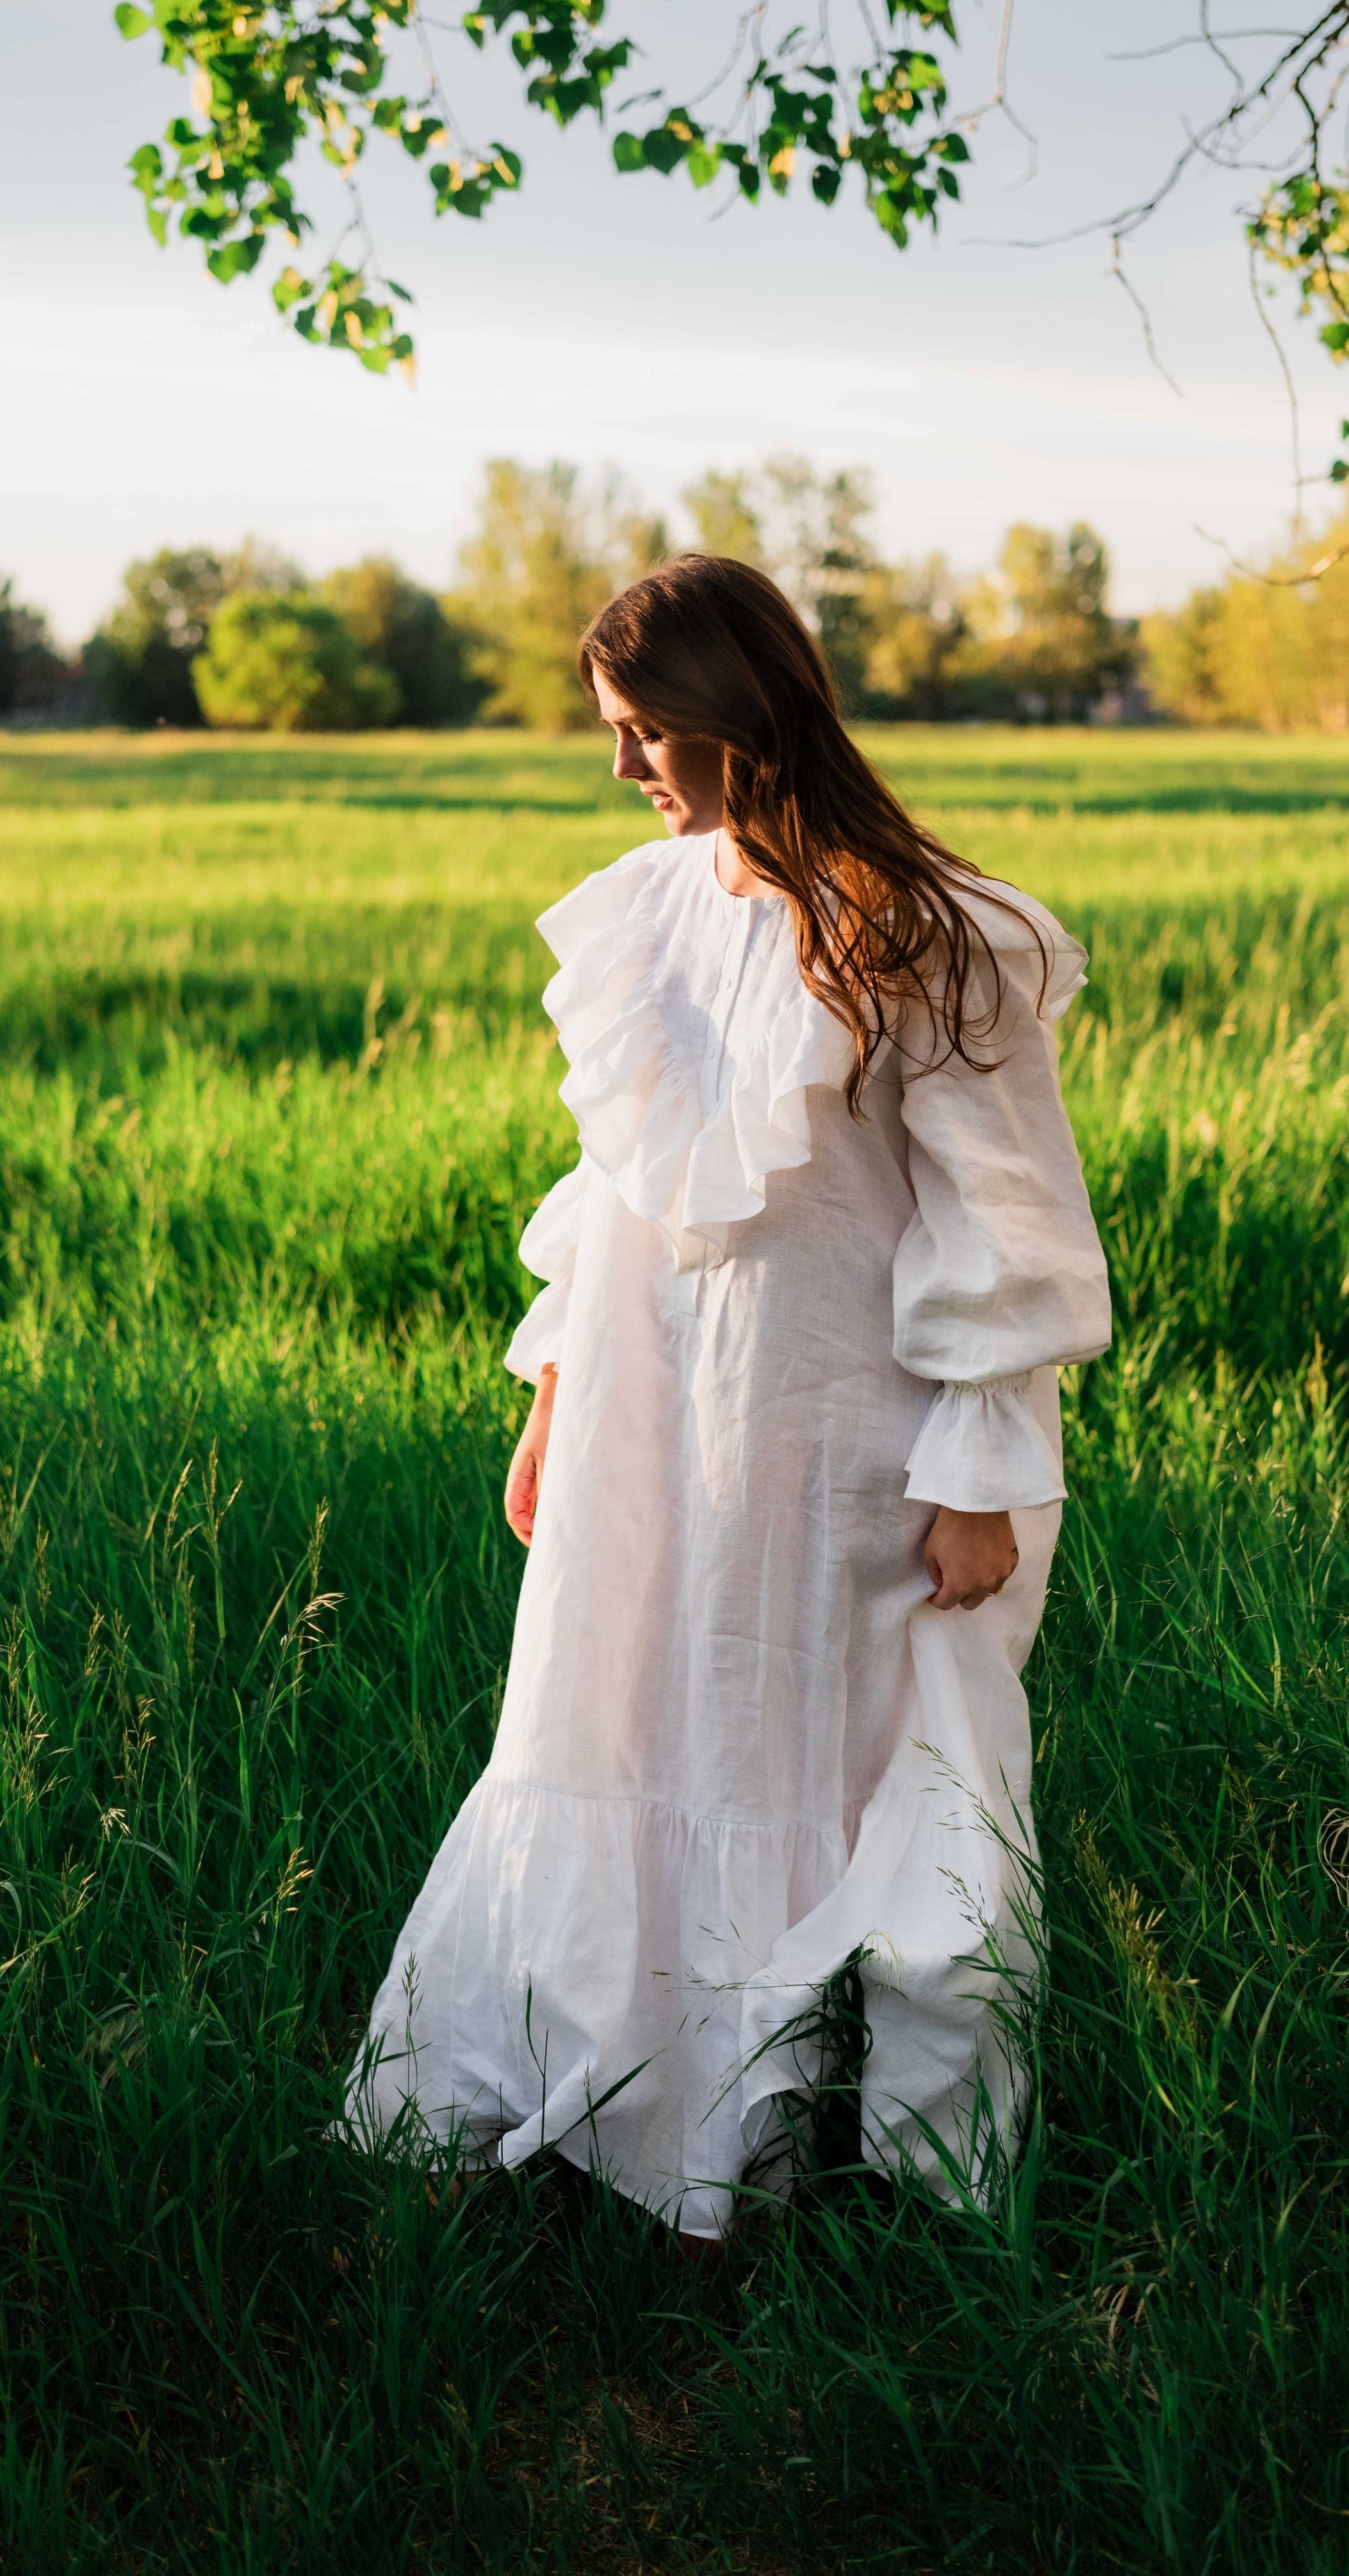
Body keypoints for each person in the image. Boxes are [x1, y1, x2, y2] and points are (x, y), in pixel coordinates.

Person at [344, 555, 1111, 2242]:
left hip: (835, 1415)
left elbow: (1005, 1222)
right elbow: (609, 1184)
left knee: (838, 1749)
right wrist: (553, 1391)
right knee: (634, 1711)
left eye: (643, 733)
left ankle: (847, 2156)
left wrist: (977, 1465)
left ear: (737, 717)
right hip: (650, 1404)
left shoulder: (930, 934)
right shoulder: (651, 905)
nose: (623, 768)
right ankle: (639, 2106)